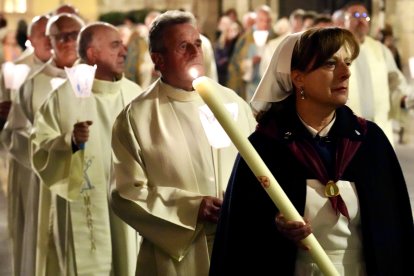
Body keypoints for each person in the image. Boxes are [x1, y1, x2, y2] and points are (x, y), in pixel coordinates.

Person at [210, 27, 414, 275]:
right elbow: (239, 234)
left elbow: (395, 226)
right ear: (298, 78)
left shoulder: (369, 141)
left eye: (347, 62)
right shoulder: (266, 147)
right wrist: (274, 226)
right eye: (330, 64)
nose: (346, 73)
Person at [110, 10, 256, 276]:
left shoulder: (232, 102)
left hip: (237, 242)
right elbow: (124, 193)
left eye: (197, 43)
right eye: (182, 46)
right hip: (177, 255)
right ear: (158, 60)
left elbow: (260, 167)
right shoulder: (138, 116)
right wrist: (191, 208)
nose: (194, 51)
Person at [30, 22, 142, 275]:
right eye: (115, 45)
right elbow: (39, 146)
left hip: (127, 208)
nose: (124, 51)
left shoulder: (135, 95)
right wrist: (69, 141)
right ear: (93, 54)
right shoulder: (62, 97)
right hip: (85, 204)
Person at [0, 14, 52, 276]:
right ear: (30, 39)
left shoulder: (75, 70)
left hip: (64, 161)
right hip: (26, 163)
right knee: (29, 226)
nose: (49, 40)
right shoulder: (17, 69)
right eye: (42, 34)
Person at [343, 2, 410, 146]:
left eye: (365, 16)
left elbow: (395, 82)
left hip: (379, 127)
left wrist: (403, 98)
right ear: (345, 21)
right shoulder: (338, 48)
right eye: (355, 15)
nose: (361, 20)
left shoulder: (380, 49)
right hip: (347, 129)